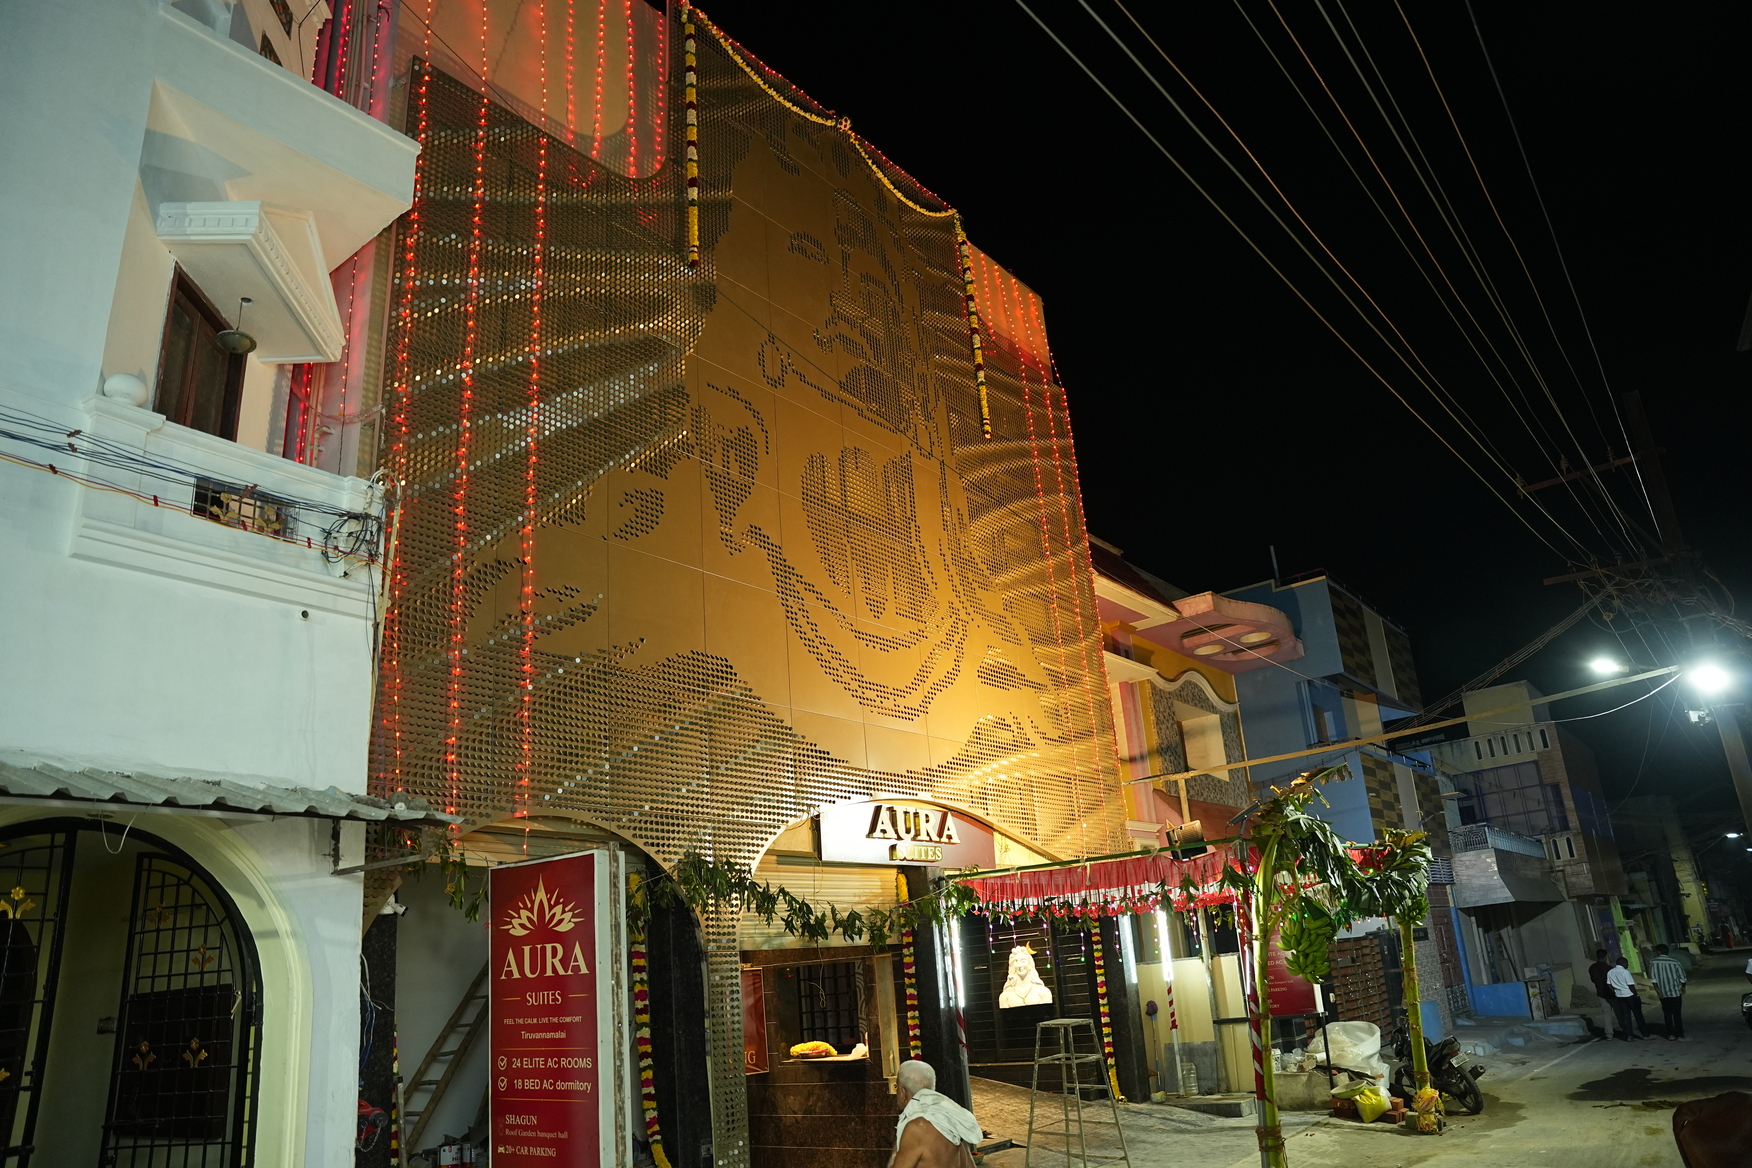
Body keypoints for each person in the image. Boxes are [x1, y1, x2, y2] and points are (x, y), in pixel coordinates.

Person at [891, 1060, 982, 1168]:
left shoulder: (916, 1128)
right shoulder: (953, 1119)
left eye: (896, 1087)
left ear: (903, 1092)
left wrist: (894, 1154)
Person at [1649, 944, 1688, 1040]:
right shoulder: (1675, 962)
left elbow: (1653, 979)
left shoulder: (1653, 962)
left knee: (1667, 1014)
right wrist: (1683, 987)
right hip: (1675, 993)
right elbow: (1683, 978)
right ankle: (1680, 1035)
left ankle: (1670, 1034)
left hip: (1663, 994)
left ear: (1659, 952)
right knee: (1677, 1014)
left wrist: (1658, 991)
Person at [1607, 956, 1651, 1040]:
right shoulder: (1625, 972)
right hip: (1629, 995)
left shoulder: (1610, 972)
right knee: (1638, 1015)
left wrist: (1615, 991)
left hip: (1620, 996)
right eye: (1627, 963)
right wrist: (1636, 994)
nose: (1628, 965)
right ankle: (1645, 1034)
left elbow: (1608, 984)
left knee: (1626, 1016)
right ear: (1623, 963)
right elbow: (1631, 986)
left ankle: (1629, 1035)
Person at [1588, 948, 1618, 1039]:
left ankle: (1609, 1034)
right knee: (1619, 1012)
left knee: (1606, 1013)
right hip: (1612, 994)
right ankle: (1626, 1031)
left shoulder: (1592, 968)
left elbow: (1593, 980)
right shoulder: (1609, 969)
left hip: (1601, 993)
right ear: (1605, 957)